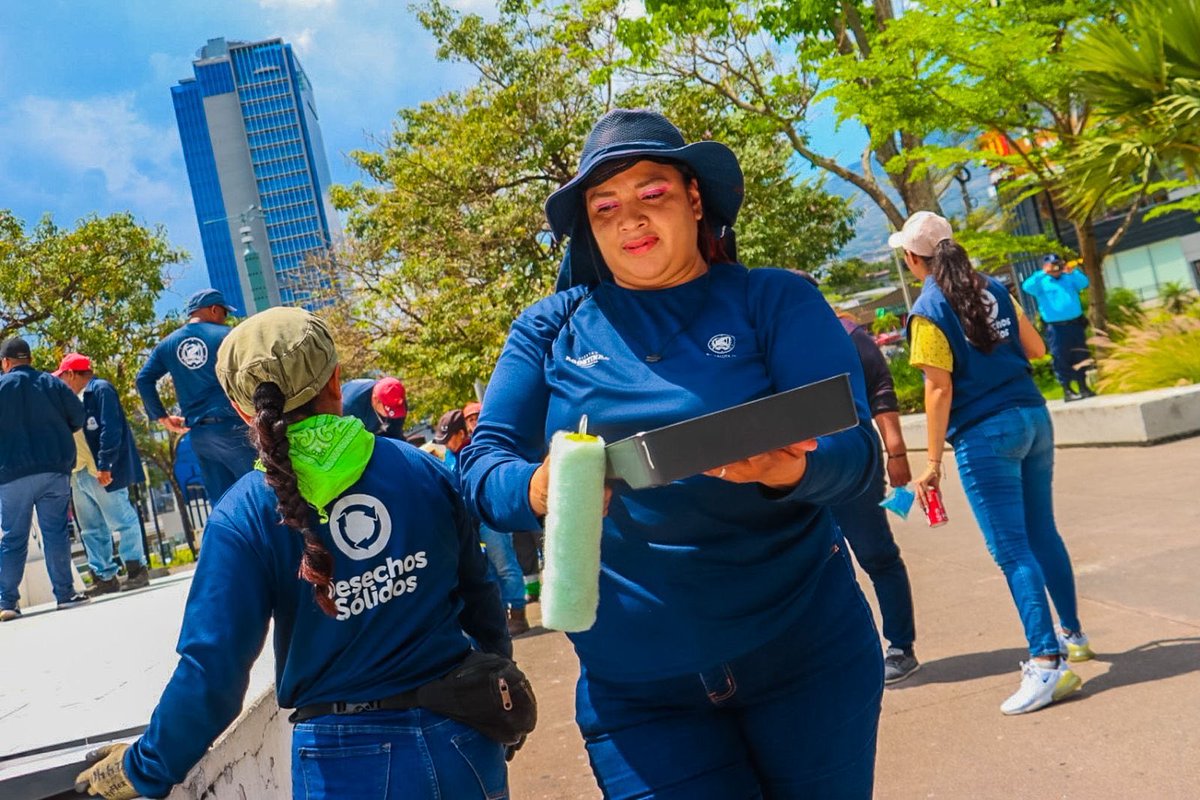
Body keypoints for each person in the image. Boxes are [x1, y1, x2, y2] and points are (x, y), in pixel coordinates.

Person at [461, 109, 883, 797]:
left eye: (652, 193)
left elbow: (856, 451)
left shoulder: (774, 300)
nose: (630, 219)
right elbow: (480, 467)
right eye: (605, 207)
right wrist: (539, 489)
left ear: (694, 199)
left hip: (806, 657)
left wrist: (791, 468)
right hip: (637, 692)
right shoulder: (549, 327)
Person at [74, 307, 512, 800]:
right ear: (336, 381)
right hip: (463, 738)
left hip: (344, 766)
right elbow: (481, 594)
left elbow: (212, 672)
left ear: (242, 410)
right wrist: (500, 693)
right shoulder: (421, 469)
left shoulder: (243, 513)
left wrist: (143, 766)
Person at [893, 211, 1095, 716]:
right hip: (1032, 416)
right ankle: (1073, 635)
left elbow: (938, 387)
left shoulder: (927, 309)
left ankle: (1046, 663)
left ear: (915, 259)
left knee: (1011, 550)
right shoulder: (992, 288)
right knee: (1041, 533)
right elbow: (1033, 347)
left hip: (985, 433)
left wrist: (931, 461)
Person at [136, 289, 257, 502]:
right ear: (213, 309)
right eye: (223, 313)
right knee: (261, 489)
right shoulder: (227, 335)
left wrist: (163, 418)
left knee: (224, 502)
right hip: (235, 427)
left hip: (201, 435)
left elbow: (143, 379)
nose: (224, 319)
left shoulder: (168, 344)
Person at [0, 337, 90, 620]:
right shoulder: (52, 384)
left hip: (12, 474)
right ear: (30, 359)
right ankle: (64, 595)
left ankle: (7, 604)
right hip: (54, 469)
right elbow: (78, 416)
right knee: (56, 534)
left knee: (13, 538)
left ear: (5, 363)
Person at [53, 353, 150, 594]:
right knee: (91, 528)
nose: (61, 383)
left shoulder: (100, 390)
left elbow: (111, 428)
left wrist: (106, 464)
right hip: (79, 472)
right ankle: (104, 577)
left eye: (63, 377)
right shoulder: (71, 399)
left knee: (122, 519)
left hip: (101, 471)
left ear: (72, 374)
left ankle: (136, 569)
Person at [467, 400, 531, 636]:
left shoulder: (494, 440)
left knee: (505, 565)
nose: (474, 422)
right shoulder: (455, 452)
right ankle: (503, 615)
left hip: (492, 512)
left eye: (476, 417)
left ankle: (518, 613)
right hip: (472, 518)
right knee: (490, 571)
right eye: (470, 419)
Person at [1020, 254, 1094, 401]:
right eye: (1052, 265)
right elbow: (1026, 286)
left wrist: (1073, 271)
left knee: (1081, 354)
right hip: (1056, 328)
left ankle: (1083, 386)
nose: (1056, 267)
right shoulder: (1042, 282)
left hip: (1075, 324)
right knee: (1060, 357)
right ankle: (1067, 390)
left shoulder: (1069, 278)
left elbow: (1084, 283)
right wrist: (1043, 272)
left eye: (1057, 264)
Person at [342, 376, 408, 439]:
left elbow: (396, 434)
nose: (391, 415)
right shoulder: (350, 408)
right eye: (388, 409)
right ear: (375, 399)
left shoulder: (397, 399)